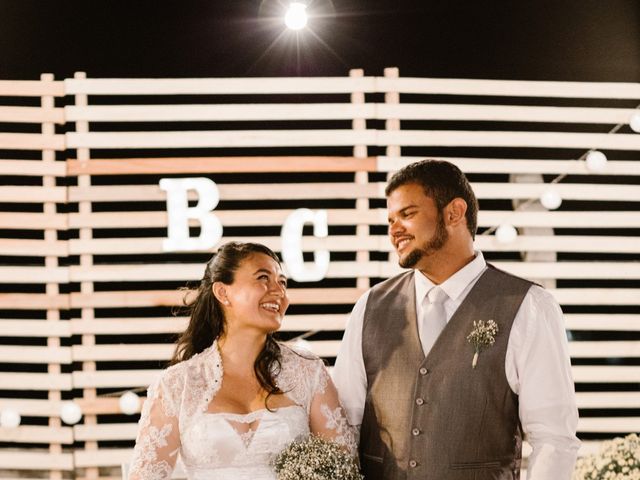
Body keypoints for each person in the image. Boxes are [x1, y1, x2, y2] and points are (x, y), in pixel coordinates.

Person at [333, 160, 580, 479]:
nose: (394, 230)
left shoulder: (529, 307)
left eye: (407, 214)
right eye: (391, 219)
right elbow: (342, 428)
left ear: (454, 212)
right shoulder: (371, 307)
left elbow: (553, 439)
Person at [129, 241, 356, 479]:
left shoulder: (308, 373)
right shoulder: (177, 385)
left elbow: (345, 467)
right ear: (222, 292)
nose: (279, 291)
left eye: (282, 282)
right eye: (263, 278)